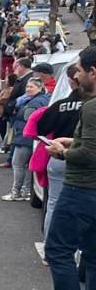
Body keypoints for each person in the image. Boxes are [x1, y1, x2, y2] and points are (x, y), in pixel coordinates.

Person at [27, 48, 96, 290]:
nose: (75, 76)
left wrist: (63, 151)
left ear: (93, 72)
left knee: (57, 248)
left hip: (82, 187)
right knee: (93, 254)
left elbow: (90, 154)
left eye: (79, 70)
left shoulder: (91, 107)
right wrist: (75, 140)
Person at [36, 64, 86, 238]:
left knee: (54, 203)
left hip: (59, 155)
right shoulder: (89, 105)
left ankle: (50, 246)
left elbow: (41, 127)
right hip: (84, 159)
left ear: (70, 81)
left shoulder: (60, 105)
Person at [3, 78, 49, 201]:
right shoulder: (42, 99)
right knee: (28, 165)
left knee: (17, 164)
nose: (28, 89)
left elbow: (27, 118)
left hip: (25, 137)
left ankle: (16, 192)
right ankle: (26, 191)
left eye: (31, 87)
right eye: (27, 87)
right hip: (32, 137)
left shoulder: (34, 103)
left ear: (39, 88)